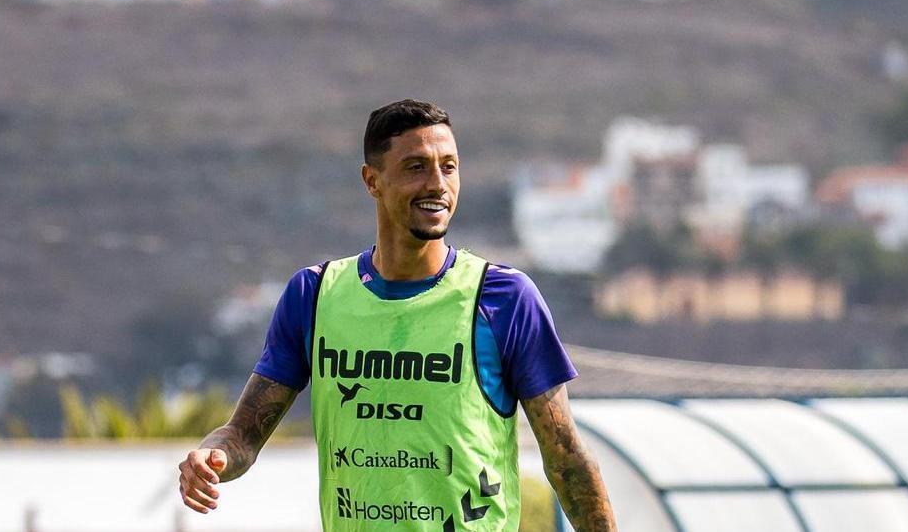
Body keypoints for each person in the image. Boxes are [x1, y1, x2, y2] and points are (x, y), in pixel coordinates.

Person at [178, 99, 617, 531]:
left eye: (449, 166)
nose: (437, 184)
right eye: (416, 167)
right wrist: (210, 457)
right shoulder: (314, 295)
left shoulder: (504, 298)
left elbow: (565, 457)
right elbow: (242, 436)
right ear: (372, 180)